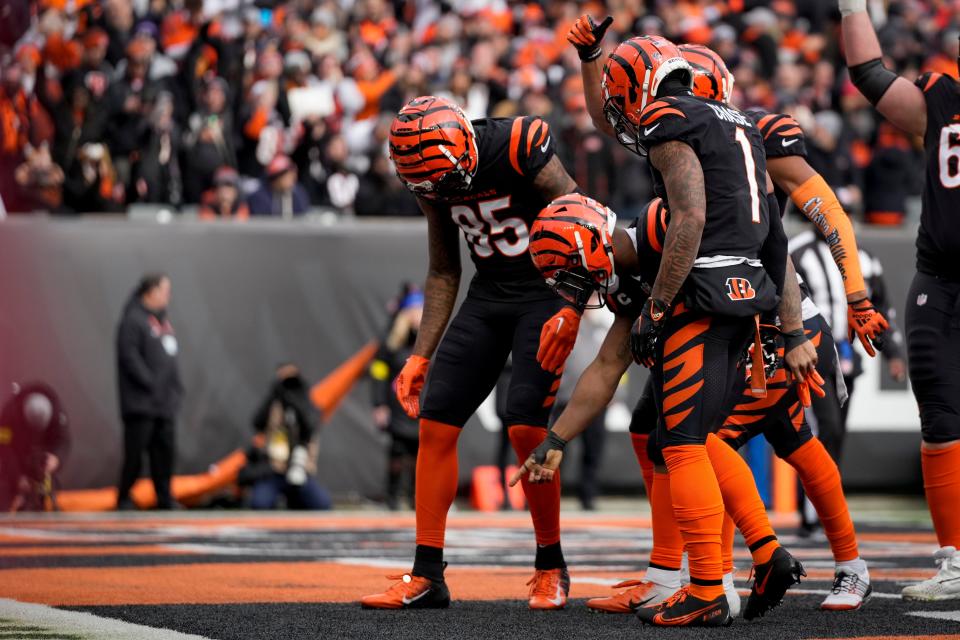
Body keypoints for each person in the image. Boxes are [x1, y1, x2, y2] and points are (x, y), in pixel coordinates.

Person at [556, 26, 814, 625]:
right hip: (750, 289)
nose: (622, 115)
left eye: (622, 95)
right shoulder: (745, 125)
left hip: (702, 288)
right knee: (683, 433)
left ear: (641, 87)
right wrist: (788, 324)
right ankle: (757, 555)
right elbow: (775, 235)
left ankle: (705, 587)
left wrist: (656, 305)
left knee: (683, 442)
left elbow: (690, 212)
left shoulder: (669, 120)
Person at [360, 95, 581, 611]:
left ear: (463, 149)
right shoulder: (431, 166)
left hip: (545, 289)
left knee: (526, 424)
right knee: (436, 420)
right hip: (489, 294)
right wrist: (420, 355)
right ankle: (428, 574)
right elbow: (443, 269)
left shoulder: (519, 144)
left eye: (446, 180)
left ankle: (552, 565)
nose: (442, 191)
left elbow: (580, 219)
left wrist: (572, 306)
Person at [840, 2, 960, 600]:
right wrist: (851, 7)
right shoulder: (943, 98)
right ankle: (955, 562)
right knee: (939, 416)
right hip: (938, 276)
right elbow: (867, 72)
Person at [115, 273, 183, 511]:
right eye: (165, 290)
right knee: (135, 455)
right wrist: (150, 382)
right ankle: (124, 496)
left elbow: (170, 357)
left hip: (164, 403)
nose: (168, 296)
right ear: (151, 292)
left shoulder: (163, 321)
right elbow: (129, 357)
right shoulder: (133, 320)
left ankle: (164, 498)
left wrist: (174, 389)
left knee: (164, 454)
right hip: (141, 404)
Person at [248, 364, 331, 511]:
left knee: (322, 504)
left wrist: (297, 400)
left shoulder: (306, 403)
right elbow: (257, 423)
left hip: (300, 469)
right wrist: (275, 395)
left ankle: (295, 499)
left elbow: (311, 425)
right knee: (260, 503)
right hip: (275, 470)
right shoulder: (274, 404)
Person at [370, 286, 423, 510]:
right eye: (413, 311)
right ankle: (392, 497)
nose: (416, 316)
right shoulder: (391, 344)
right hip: (397, 404)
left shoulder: (427, 342)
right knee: (398, 450)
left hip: (421, 404)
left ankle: (415, 498)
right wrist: (379, 404)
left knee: (418, 454)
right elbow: (378, 373)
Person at [0, 382, 69, 512]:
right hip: (16, 459)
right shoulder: (9, 413)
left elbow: (63, 440)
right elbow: (4, 448)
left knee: (45, 491)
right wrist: (17, 477)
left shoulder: (57, 413)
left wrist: (56, 458)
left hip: (43, 460)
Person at [248, 154, 310, 218]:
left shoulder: (298, 194)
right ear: (275, 179)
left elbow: (302, 217)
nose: (292, 179)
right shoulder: (259, 198)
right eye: (287, 176)